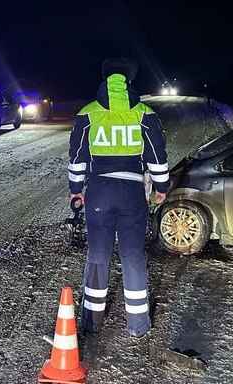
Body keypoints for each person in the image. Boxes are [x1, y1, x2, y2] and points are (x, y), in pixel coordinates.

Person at [67, 57, 169, 338]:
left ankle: (91, 322)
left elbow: (77, 158)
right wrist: (161, 187)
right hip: (133, 193)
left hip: (99, 192)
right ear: (129, 82)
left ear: (104, 80)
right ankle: (138, 324)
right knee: (133, 255)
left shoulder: (88, 114)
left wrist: (76, 190)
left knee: (98, 254)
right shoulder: (144, 114)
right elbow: (157, 156)